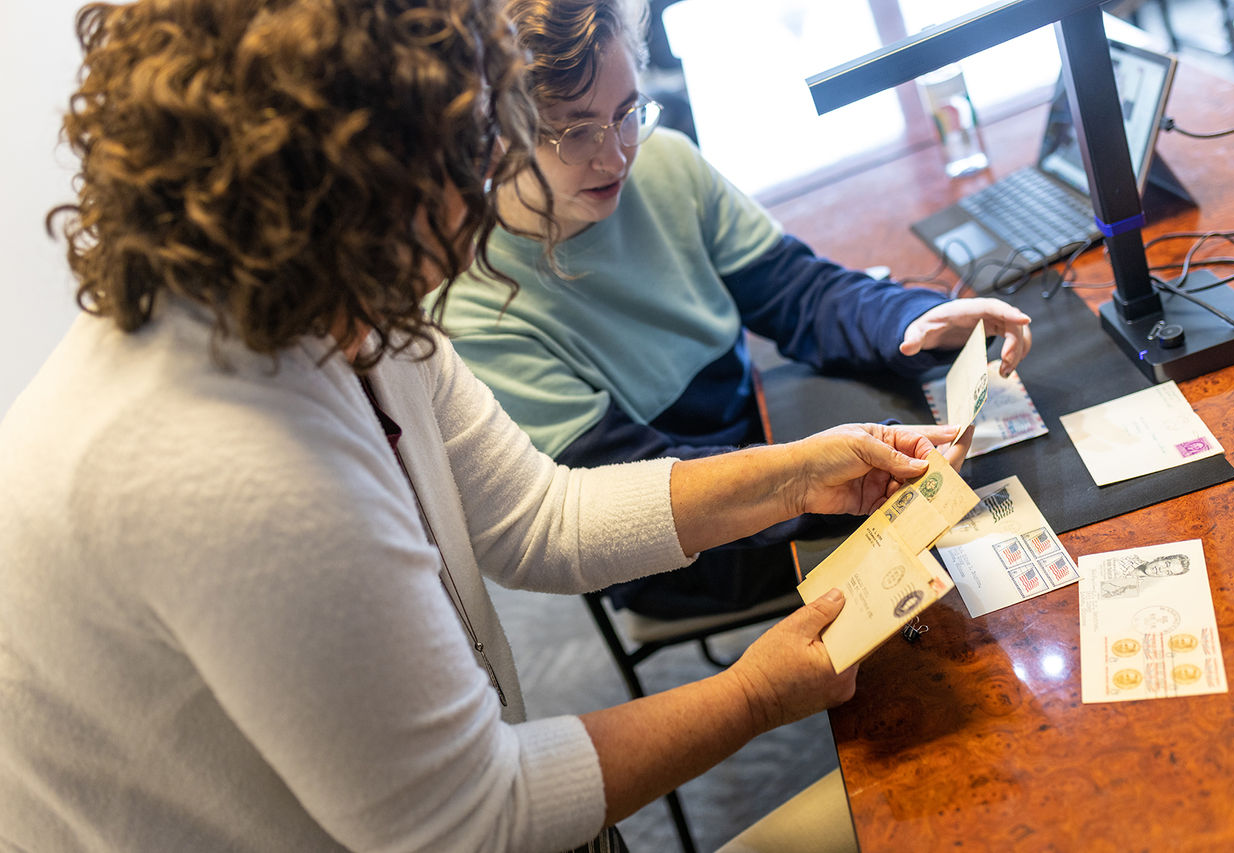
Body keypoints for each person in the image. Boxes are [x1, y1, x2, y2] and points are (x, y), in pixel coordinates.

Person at [0, 1, 966, 850]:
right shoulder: (223, 467)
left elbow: (541, 516)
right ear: (333, 174)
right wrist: (753, 694)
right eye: (466, 150)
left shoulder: (332, 298)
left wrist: (797, 474)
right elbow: (475, 821)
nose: (485, 185)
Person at [431, 0, 1033, 620]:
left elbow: (796, 291)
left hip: (761, 437)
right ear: (500, 132)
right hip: (674, 538)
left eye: (626, 113)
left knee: (950, 467)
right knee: (949, 532)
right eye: (576, 131)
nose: (615, 156)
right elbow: (621, 492)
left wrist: (910, 319)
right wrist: (804, 479)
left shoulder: (664, 162)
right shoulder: (472, 306)